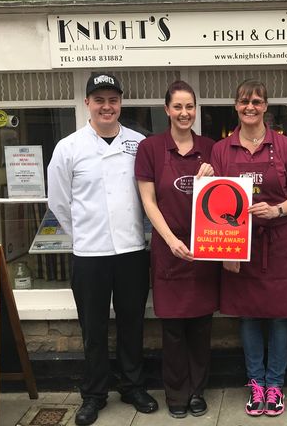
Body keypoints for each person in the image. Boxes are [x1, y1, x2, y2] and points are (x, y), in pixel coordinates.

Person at [47, 73, 159, 426]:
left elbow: (147, 197)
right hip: (90, 254)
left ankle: (132, 385)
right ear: (87, 104)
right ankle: (94, 394)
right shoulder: (69, 148)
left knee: (132, 322)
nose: (106, 106)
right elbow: (59, 203)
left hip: (131, 250)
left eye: (113, 100)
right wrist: (82, 235)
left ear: (120, 104)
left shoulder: (139, 143)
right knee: (93, 328)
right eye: (100, 100)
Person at [210, 79, 287, 417]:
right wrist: (226, 252)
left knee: (280, 319)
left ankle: (275, 386)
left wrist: (276, 210)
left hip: (278, 242)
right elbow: (216, 200)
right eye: (243, 101)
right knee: (248, 317)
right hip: (239, 243)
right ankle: (255, 384)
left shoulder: (286, 147)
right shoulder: (222, 150)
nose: (250, 106)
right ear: (235, 106)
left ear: (266, 106)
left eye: (256, 101)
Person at [134, 80, 219, 419]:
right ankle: (176, 394)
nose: (185, 113)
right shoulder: (151, 148)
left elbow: (227, 199)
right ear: (167, 110)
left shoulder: (212, 148)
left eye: (190, 106)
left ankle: (198, 392)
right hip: (168, 249)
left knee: (201, 327)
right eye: (178, 107)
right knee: (172, 330)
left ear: (196, 110)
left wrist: (212, 178)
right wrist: (170, 240)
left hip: (204, 250)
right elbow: (147, 201)